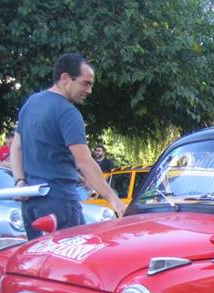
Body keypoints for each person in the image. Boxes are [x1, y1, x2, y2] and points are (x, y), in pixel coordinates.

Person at [11, 53, 127, 239]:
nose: (89, 90)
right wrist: (115, 201)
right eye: (85, 83)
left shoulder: (31, 104)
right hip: (60, 204)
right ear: (65, 78)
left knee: (40, 263)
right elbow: (84, 161)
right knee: (68, 262)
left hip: (31, 204)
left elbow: (17, 147)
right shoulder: (67, 112)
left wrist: (19, 181)